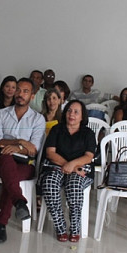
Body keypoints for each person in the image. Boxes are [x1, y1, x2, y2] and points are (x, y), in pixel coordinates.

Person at [0, 78, 45, 243]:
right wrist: (20, 142)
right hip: (0, 159)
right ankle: (19, 202)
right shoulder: (1, 113)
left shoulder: (37, 119)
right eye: (18, 90)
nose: (20, 94)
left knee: (10, 176)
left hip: (25, 164)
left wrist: (18, 147)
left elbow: (33, 148)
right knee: (7, 162)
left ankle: (1, 224)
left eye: (25, 91)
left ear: (32, 96)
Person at [40, 100, 96, 242]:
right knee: (49, 183)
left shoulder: (88, 133)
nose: (72, 114)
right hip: (57, 166)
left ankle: (75, 227)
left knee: (74, 186)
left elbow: (89, 156)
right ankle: (60, 226)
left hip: (81, 169)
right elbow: (50, 153)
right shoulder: (57, 129)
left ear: (82, 116)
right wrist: (68, 165)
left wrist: (73, 165)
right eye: (69, 111)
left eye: (76, 112)